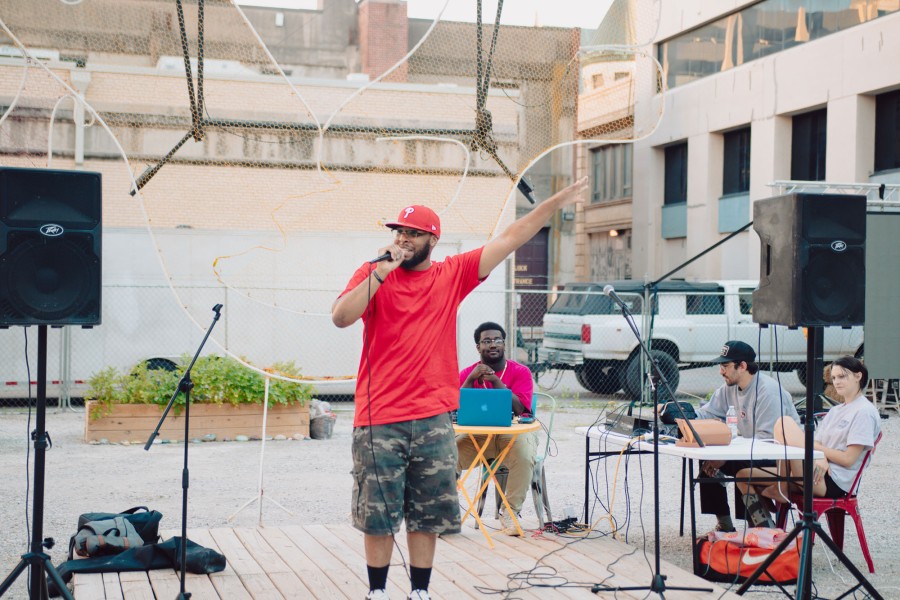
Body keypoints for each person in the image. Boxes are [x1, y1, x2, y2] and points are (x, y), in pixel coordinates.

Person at [332, 177, 587, 600]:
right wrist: (381, 270)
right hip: (379, 418)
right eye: (398, 231)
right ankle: (377, 592)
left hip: (432, 417)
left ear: (432, 239)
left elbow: (509, 238)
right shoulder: (373, 273)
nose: (402, 239)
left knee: (427, 514)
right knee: (377, 513)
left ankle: (420, 591)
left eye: (412, 233)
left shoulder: (451, 275)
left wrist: (553, 204)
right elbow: (342, 316)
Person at [735, 356, 881, 506]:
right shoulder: (836, 410)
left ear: (858, 376)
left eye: (842, 376)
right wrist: (820, 456)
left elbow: (848, 459)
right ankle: (765, 527)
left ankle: (782, 487)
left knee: (785, 423)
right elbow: (817, 442)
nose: (836, 382)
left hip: (834, 481)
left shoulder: (864, 411)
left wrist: (817, 451)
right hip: (817, 470)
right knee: (743, 475)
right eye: (834, 378)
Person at [694, 340, 800, 532]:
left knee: (735, 464)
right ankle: (725, 525)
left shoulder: (768, 391)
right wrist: (678, 412)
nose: (721, 371)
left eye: (725, 366)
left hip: (780, 458)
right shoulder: (729, 387)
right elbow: (708, 413)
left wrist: (725, 456)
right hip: (752, 449)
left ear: (742, 366)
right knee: (707, 458)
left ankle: (761, 525)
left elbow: (768, 442)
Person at [457, 321, 537, 535]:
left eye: (497, 340)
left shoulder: (520, 372)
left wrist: (495, 381)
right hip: (478, 438)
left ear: (504, 344)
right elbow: (454, 408)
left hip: (510, 437)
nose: (493, 345)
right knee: (444, 453)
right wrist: (471, 379)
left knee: (524, 452)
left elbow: (522, 410)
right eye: (486, 341)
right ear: (478, 347)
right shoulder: (467, 373)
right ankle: (446, 513)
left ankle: (509, 514)